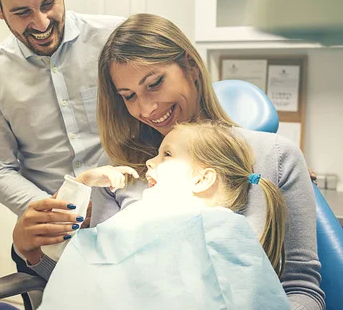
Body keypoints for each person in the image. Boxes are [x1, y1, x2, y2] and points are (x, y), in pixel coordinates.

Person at [20, 13, 325, 310]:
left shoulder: (276, 158)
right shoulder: (120, 174)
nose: (147, 108)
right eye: (129, 96)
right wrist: (31, 252)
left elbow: (302, 290)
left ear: (191, 66)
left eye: (154, 83)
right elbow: (96, 282)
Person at [0, 0, 124, 300]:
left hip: (129, 220)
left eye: (48, 3)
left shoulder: (116, 39)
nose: (41, 23)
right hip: (51, 242)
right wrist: (56, 213)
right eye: (22, 12)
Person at [38, 121, 292, 310]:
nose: (150, 161)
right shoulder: (138, 216)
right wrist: (82, 184)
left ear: (202, 179)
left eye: (166, 154)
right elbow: (60, 250)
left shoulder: (228, 231)